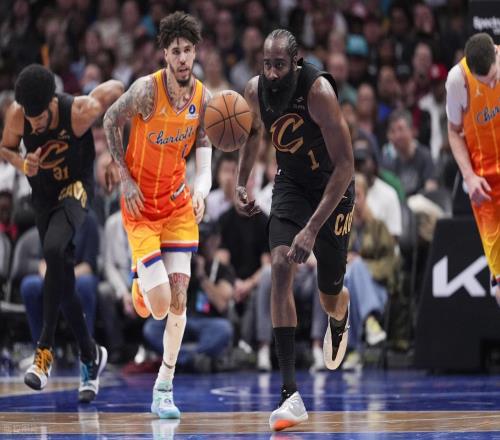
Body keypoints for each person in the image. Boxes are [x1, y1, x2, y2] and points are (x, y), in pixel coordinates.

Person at [236, 29, 354, 431]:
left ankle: (340, 312)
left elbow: (346, 166)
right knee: (280, 267)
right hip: (290, 184)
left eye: (279, 65)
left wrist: (311, 230)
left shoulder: (318, 92)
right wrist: (241, 183)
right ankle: (290, 393)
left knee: (328, 295)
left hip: (332, 188)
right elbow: (254, 135)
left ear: (295, 62)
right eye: (266, 64)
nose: (271, 73)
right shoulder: (254, 92)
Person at [103, 11, 212, 419]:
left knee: (179, 299)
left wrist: (201, 191)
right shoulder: (146, 91)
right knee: (160, 305)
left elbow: (204, 157)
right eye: (175, 51)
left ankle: (164, 386)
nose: (182, 58)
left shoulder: (203, 99)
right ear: (165, 54)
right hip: (141, 208)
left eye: (188, 50)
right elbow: (110, 119)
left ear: (195, 52)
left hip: (177, 205)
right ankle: (141, 285)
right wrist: (124, 177)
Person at [0, 64, 123, 402]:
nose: (35, 124)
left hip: (75, 189)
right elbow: (5, 148)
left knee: (53, 251)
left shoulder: (79, 111)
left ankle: (44, 351)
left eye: (40, 117)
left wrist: (115, 157)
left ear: (52, 102)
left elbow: (118, 89)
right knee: (62, 280)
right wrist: (22, 163)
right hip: (44, 198)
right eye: (30, 118)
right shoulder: (18, 115)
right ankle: (90, 354)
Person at [446, 33, 500, 302]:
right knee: (499, 279)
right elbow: (454, 131)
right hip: (485, 185)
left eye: (494, 78)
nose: (491, 84)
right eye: (484, 81)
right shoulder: (458, 80)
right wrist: (468, 176)